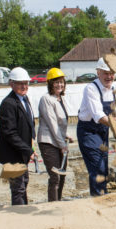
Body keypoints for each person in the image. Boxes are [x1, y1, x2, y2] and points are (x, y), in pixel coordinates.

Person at [0, 67, 37, 205]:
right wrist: (27, 150)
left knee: (23, 183)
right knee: (18, 188)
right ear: (11, 84)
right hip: (12, 155)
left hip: (21, 153)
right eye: (20, 83)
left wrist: (32, 143)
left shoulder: (24, 99)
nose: (24, 86)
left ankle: (22, 212)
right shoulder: (8, 104)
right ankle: (18, 217)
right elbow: (10, 133)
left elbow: (30, 123)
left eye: (26, 83)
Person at [77, 58, 115, 196]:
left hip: (103, 132)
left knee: (104, 169)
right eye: (105, 73)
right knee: (97, 168)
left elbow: (113, 113)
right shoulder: (91, 89)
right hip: (89, 132)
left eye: (111, 73)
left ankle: (102, 196)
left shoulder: (112, 89)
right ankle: (98, 199)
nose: (109, 76)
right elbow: (98, 115)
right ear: (98, 73)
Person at [38, 68, 73, 201]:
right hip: (48, 142)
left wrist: (67, 135)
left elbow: (60, 123)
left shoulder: (60, 99)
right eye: (56, 82)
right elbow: (52, 124)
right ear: (50, 83)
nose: (60, 85)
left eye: (62, 82)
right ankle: (53, 205)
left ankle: (58, 201)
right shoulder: (46, 99)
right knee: (55, 177)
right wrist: (62, 144)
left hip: (59, 141)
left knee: (62, 175)